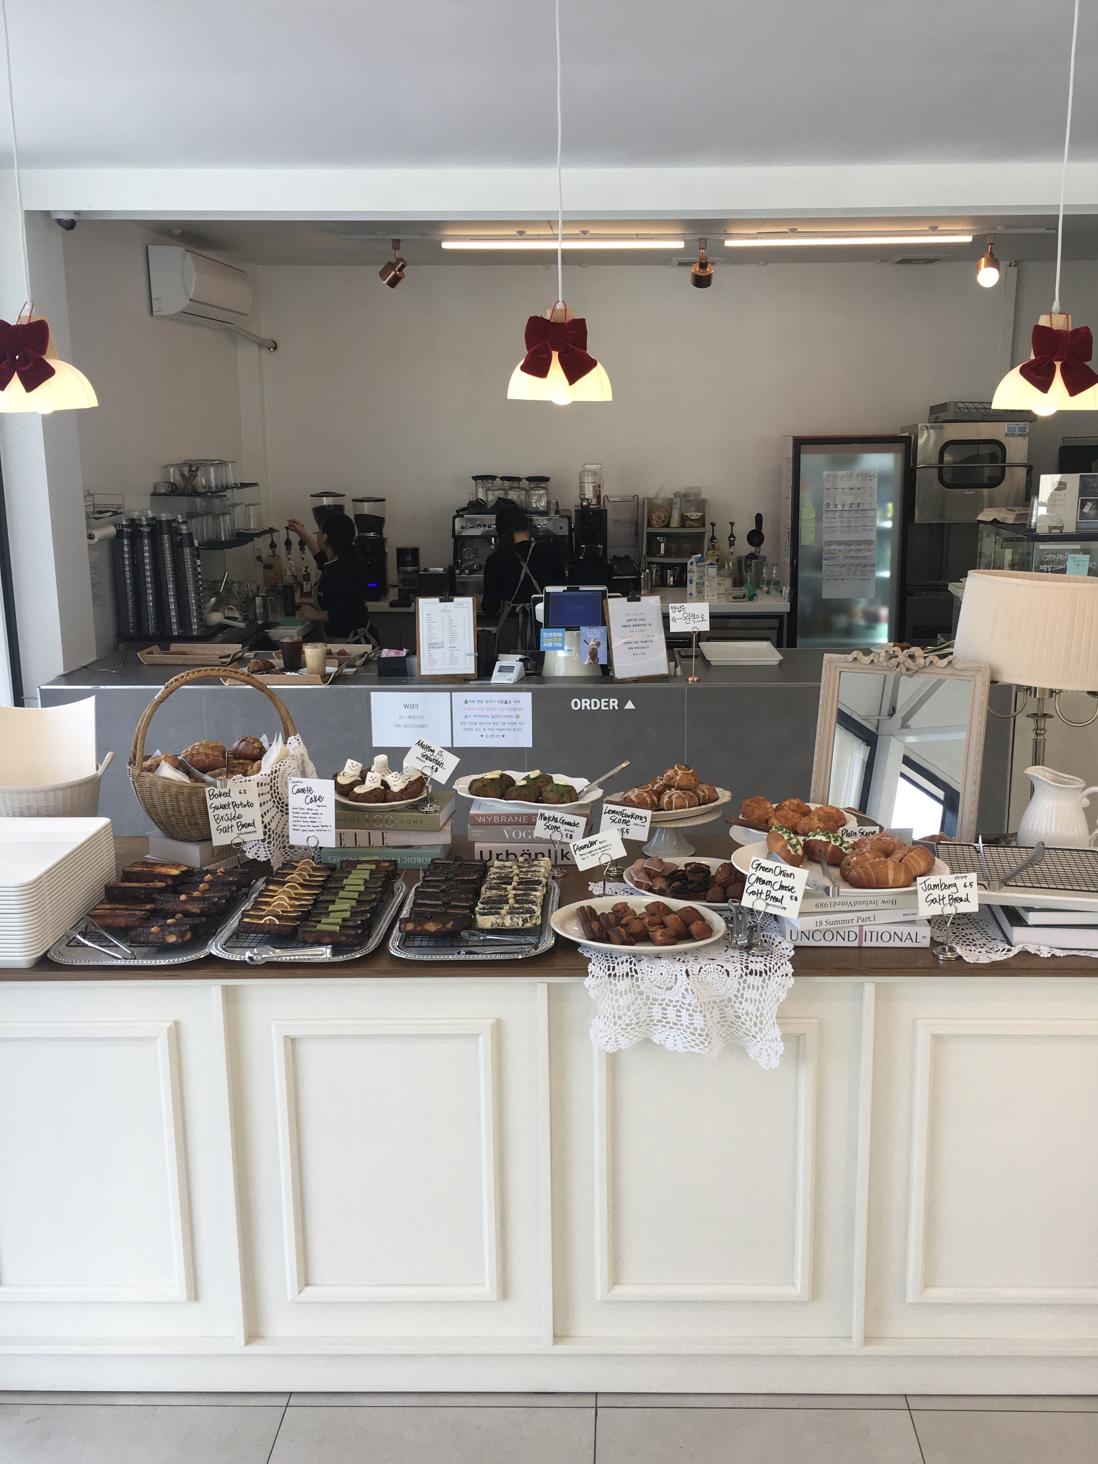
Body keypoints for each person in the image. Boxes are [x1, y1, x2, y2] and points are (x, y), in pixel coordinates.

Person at [286, 512, 375, 641]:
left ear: (325, 537)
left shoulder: (340, 571)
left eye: (319, 531)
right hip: (346, 638)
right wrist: (302, 532)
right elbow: (320, 557)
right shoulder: (343, 560)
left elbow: (347, 613)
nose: (317, 535)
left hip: (352, 642)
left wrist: (316, 614)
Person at [480, 502, 566, 632]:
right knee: (549, 647)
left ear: (500, 531)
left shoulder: (496, 559)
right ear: (527, 525)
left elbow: (490, 608)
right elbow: (563, 592)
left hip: (512, 630)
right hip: (547, 627)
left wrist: (479, 602)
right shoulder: (549, 552)